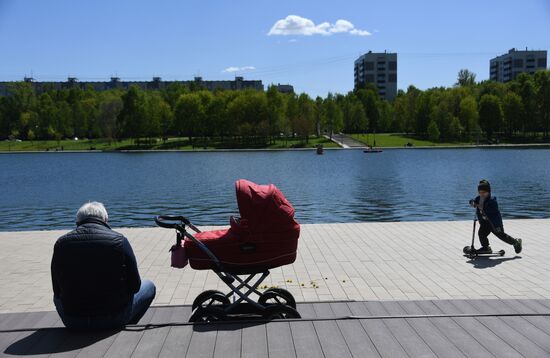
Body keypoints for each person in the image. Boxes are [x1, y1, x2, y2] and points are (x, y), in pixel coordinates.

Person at [51, 202, 155, 330]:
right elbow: (135, 285)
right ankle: (123, 326)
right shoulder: (120, 241)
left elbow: (56, 290)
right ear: (105, 220)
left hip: (73, 320)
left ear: (77, 222)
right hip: (114, 317)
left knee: (57, 298)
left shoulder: (61, 244)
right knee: (149, 286)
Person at [469, 179, 522, 254]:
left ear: (489, 192)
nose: (482, 194)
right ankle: (486, 247)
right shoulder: (478, 199)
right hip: (485, 223)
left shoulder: (492, 200)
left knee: (501, 236)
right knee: (481, 234)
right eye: (480, 192)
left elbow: (489, 209)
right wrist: (472, 202)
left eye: (484, 192)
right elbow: (472, 200)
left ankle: (516, 242)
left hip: (494, 223)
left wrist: (481, 207)